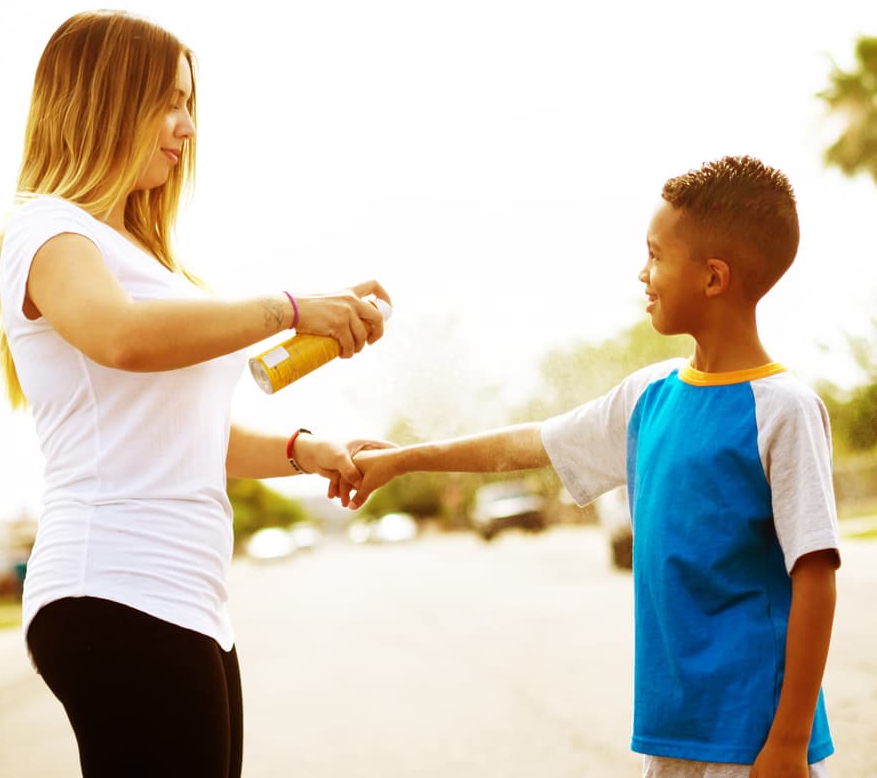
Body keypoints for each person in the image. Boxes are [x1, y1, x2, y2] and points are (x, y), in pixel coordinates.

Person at [348, 155, 840, 778]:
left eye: (656, 256)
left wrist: (790, 742)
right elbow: (530, 444)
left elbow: (815, 575)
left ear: (714, 278)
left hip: (755, 738)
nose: (643, 273)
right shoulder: (649, 396)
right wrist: (402, 460)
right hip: (672, 733)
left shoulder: (784, 410)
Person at [0, 9, 389, 778]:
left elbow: (190, 431)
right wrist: (293, 308)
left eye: (189, 106)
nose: (186, 128)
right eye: (169, 102)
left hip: (185, 599)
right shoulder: (44, 232)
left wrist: (311, 451)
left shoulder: (134, 255)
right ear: (105, 102)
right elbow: (123, 338)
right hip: (110, 587)